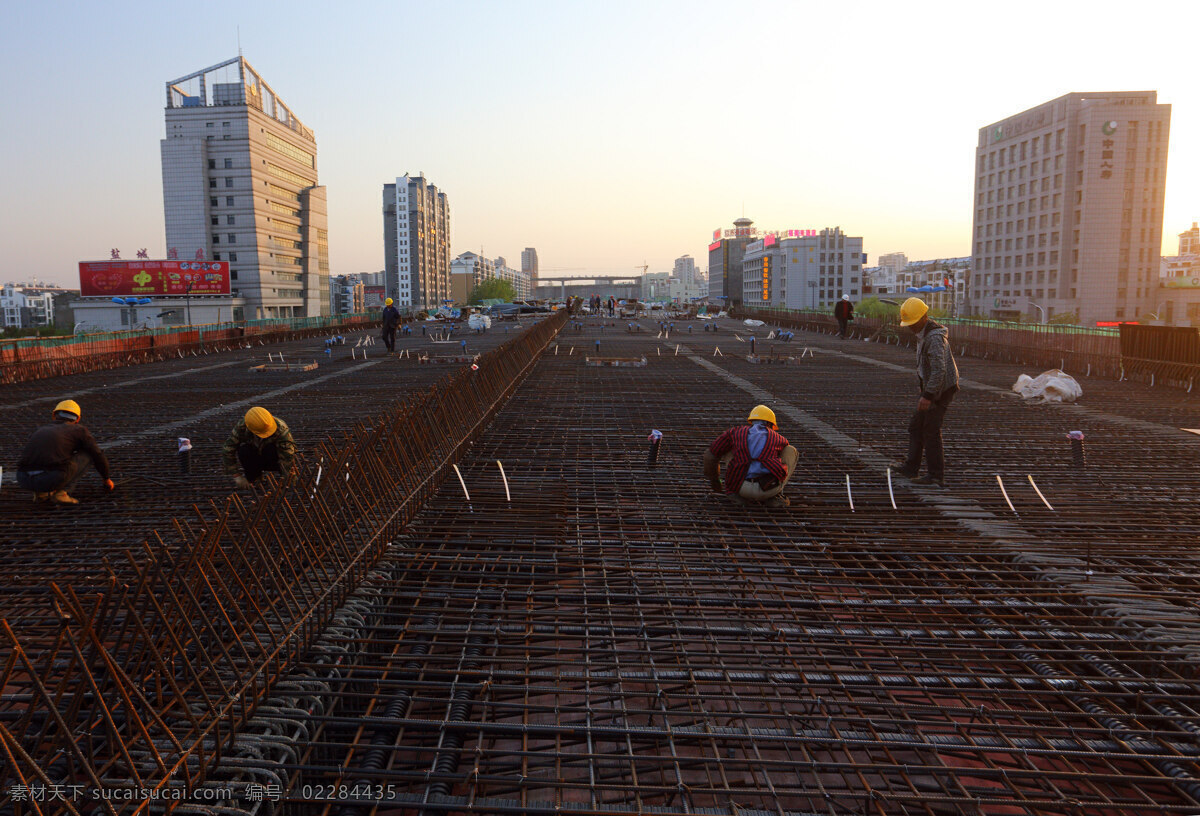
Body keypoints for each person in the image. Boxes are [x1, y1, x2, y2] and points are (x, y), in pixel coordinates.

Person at [895, 297, 959, 488]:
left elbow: (940, 370)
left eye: (912, 323)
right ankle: (911, 467)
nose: (910, 327)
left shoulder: (934, 338)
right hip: (932, 387)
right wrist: (924, 388)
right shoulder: (925, 334)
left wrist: (928, 395)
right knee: (916, 426)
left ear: (923, 317)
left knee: (930, 430)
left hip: (942, 390)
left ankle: (936, 476)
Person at [16, 399, 115, 505]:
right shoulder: (78, 430)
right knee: (88, 454)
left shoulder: (40, 430)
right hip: (49, 479)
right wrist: (106, 479)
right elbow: (97, 455)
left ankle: (41, 494)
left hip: (23, 479)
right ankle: (62, 493)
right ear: (77, 419)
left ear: (54, 415)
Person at [704, 405, 798, 508]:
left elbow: (710, 456)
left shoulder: (735, 432)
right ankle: (775, 496)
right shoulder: (778, 439)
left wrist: (715, 482)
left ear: (751, 421)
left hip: (739, 487)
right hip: (768, 489)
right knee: (790, 450)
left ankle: (734, 495)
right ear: (770, 424)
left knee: (728, 448)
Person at [223, 406, 297, 487]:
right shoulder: (242, 428)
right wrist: (236, 475)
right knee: (244, 450)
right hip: (256, 458)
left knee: (272, 449)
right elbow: (228, 449)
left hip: (274, 459)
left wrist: (288, 478)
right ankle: (255, 478)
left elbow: (287, 456)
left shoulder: (280, 428)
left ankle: (282, 474)